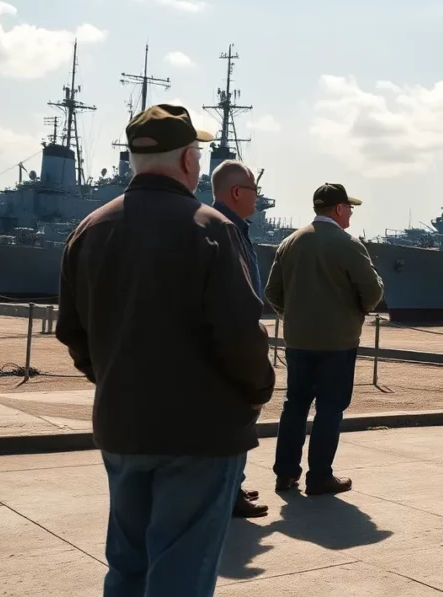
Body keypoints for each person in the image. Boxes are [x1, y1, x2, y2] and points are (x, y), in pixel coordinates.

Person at [56, 104, 275, 597]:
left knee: (128, 566)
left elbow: (73, 332)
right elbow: (240, 335)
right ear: (188, 161)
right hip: (200, 434)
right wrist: (257, 392)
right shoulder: (212, 229)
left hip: (122, 425)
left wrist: (115, 379)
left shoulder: (88, 230)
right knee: (182, 571)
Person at [265, 182, 384, 495]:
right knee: (330, 408)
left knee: (294, 406)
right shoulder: (349, 244)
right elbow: (373, 291)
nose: (351, 216)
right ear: (339, 208)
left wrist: (292, 317)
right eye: (350, 209)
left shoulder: (290, 242)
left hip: (298, 342)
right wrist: (357, 310)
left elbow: (272, 292)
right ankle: (319, 477)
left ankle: (286, 475)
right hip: (337, 343)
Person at [211, 158, 268, 519]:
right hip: (233, 347)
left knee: (239, 421)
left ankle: (234, 483)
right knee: (233, 420)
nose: (258, 198)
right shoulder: (222, 231)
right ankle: (228, 494)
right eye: (254, 190)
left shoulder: (234, 229)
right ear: (236, 192)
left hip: (239, 340)